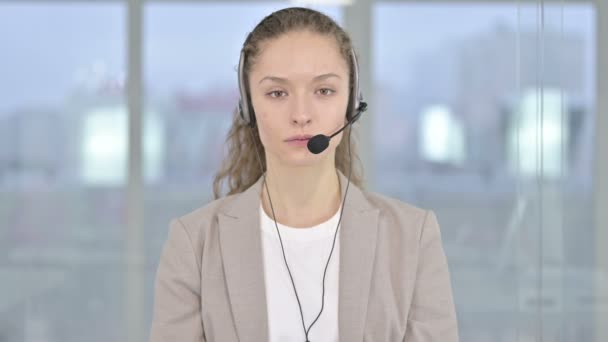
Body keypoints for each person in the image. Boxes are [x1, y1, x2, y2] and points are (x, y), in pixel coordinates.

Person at [149, 7, 458, 342]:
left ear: (352, 104)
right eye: (277, 93)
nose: (301, 115)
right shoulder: (194, 244)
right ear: (248, 108)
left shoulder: (412, 238)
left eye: (323, 91)